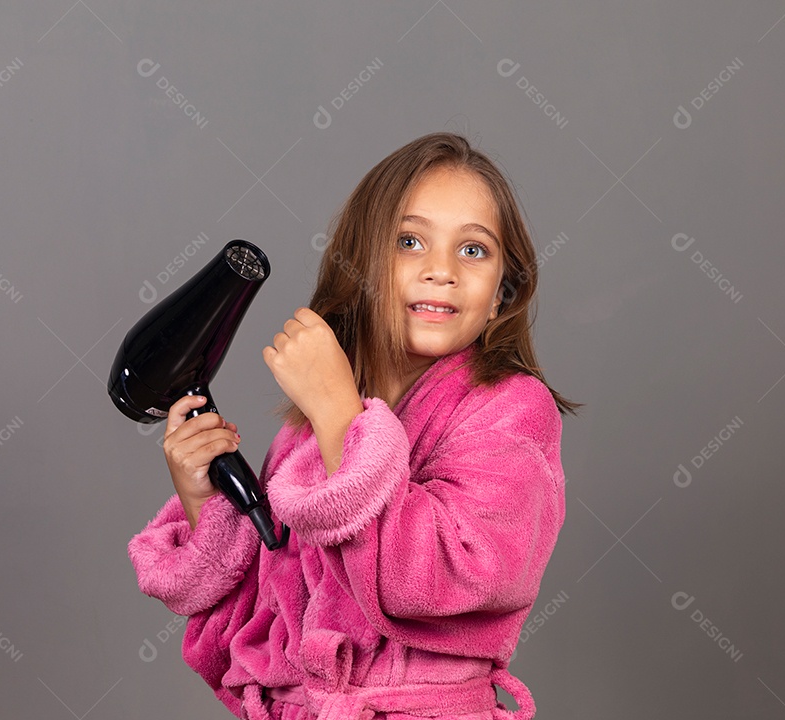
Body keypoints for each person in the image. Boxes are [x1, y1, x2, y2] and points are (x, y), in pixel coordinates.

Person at [127, 131, 581, 720]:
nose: (441, 270)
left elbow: (444, 578)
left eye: (473, 251)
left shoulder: (512, 410)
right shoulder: (307, 435)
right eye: (410, 241)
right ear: (362, 265)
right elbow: (258, 641)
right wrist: (202, 502)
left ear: (501, 294)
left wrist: (340, 413)